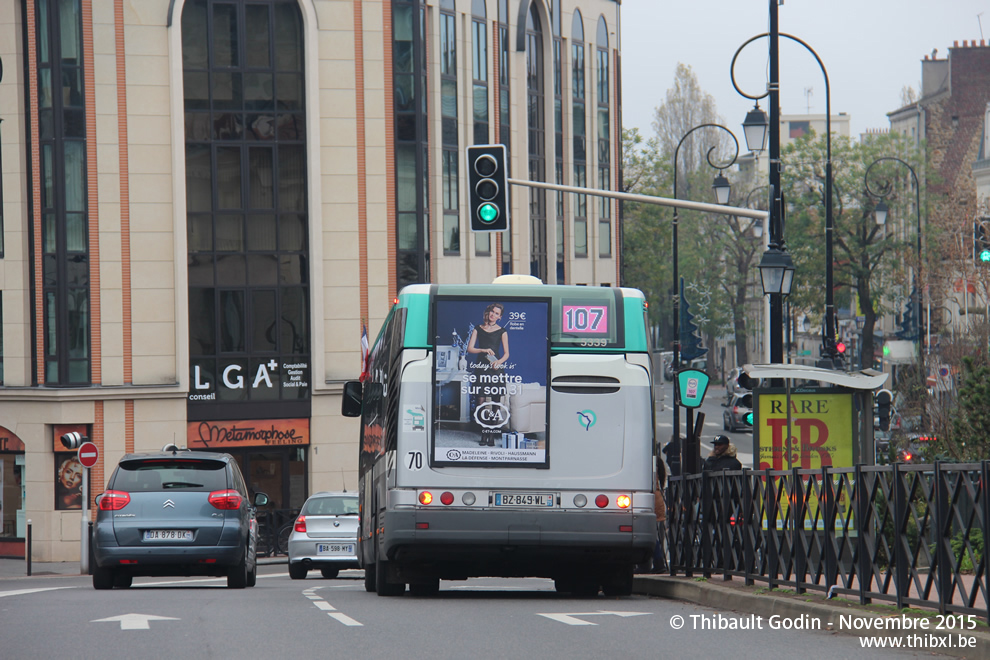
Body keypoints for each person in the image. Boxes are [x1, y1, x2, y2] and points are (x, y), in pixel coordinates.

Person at [466, 302, 510, 446]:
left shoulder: (502, 331)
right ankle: (484, 432)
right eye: (492, 311)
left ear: (500, 317)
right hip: (481, 368)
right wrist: (483, 350)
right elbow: (470, 349)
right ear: (488, 312)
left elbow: (506, 354)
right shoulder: (478, 329)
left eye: (497, 313)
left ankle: (491, 434)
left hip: (495, 368)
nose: (493, 315)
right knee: (481, 402)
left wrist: (498, 362)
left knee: (496, 402)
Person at [652, 459, 668, 573]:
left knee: (651, 534)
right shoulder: (656, 462)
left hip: (651, 498)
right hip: (657, 498)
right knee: (653, 534)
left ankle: (658, 563)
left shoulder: (649, 462)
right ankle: (658, 562)